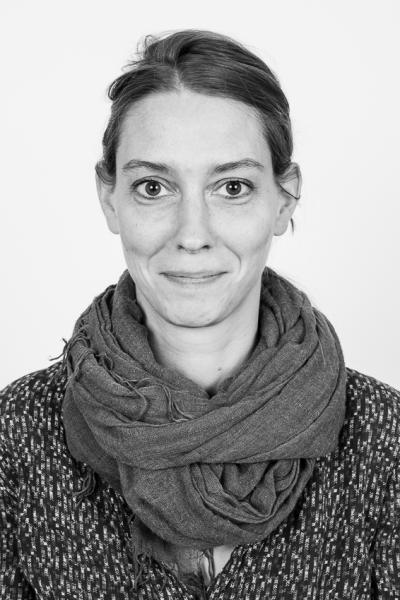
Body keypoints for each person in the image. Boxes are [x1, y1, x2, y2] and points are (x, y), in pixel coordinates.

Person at [1, 28, 399, 600]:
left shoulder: (383, 436)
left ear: (284, 199)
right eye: (153, 187)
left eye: (232, 187)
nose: (192, 234)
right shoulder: (17, 434)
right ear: (110, 199)